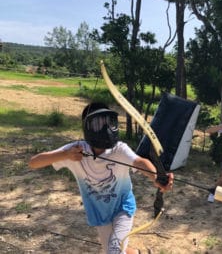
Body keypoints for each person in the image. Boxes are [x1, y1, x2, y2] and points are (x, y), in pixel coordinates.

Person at [29, 102, 173, 254]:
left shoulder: (119, 149)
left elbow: (140, 162)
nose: (105, 129)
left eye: (109, 123)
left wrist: (156, 176)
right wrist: (65, 155)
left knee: (114, 250)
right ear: (87, 128)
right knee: (111, 248)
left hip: (122, 208)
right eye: (98, 123)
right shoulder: (75, 151)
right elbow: (33, 163)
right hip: (99, 214)